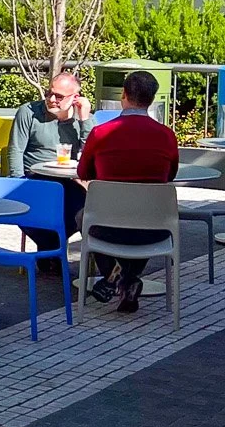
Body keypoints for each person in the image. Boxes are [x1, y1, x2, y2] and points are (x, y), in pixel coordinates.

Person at [74, 71, 179, 314]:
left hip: (107, 225)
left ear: (124, 94)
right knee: (141, 217)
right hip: (154, 228)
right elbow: (170, 175)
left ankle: (117, 275)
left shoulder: (101, 133)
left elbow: (83, 172)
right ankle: (128, 281)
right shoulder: (167, 135)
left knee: (82, 217)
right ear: (152, 99)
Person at [8, 70, 94, 258]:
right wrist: (18, 183)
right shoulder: (29, 112)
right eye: (49, 93)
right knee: (38, 206)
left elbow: (90, 154)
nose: (52, 99)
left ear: (75, 97)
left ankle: (56, 255)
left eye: (59, 96)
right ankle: (51, 254)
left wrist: (85, 120)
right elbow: (15, 150)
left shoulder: (83, 118)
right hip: (33, 178)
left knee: (85, 207)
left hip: (67, 181)